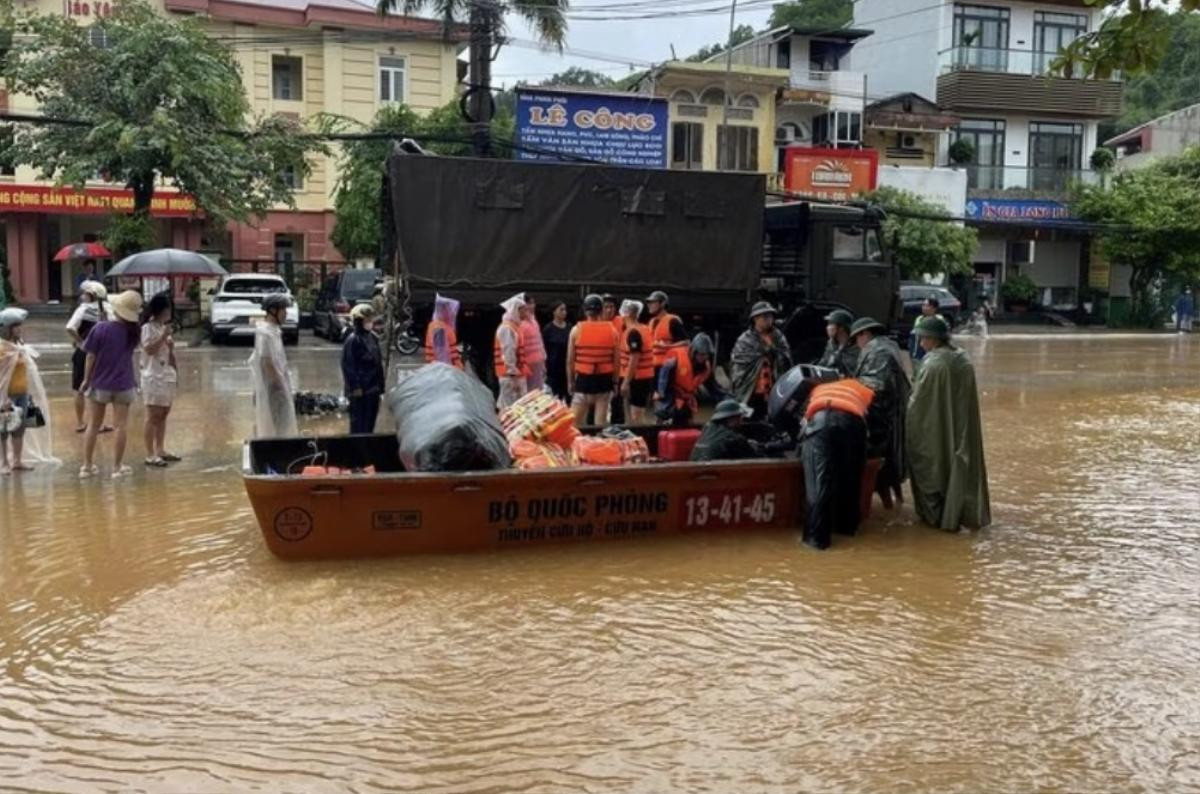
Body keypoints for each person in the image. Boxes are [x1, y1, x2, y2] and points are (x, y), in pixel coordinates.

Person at [906, 317, 991, 530]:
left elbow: (917, 406)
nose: (921, 343)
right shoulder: (963, 359)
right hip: (961, 428)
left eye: (922, 338)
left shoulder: (934, 364)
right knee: (957, 465)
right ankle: (957, 515)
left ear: (932, 339)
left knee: (931, 467)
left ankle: (935, 519)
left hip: (936, 429)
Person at [797, 377, 874, 550]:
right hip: (853, 425)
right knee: (850, 482)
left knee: (818, 485)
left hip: (821, 422)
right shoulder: (863, 391)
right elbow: (876, 425)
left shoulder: (819, 389)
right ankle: (847, 530)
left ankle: (816, 543)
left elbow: (802, 423)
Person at [80, 290, 143, 479]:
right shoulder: (133, 333)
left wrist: (86, 380)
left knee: (93, 425)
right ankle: (117, 467)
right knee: (121, 426)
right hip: (124, 384)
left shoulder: (100, 328)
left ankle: (87, 466)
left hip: (100, 383)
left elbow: (90, 356)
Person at [851, 317, 911, 509]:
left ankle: (889, 508)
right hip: (892, 414)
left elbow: (877, 385)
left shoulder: (878, 351)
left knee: (881, 466)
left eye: (857, 339)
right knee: (891, 464)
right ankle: (897, 505)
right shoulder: (888, 346)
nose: (857, 344)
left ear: (865, 334)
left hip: (882, 418)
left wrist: (851, 385)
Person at [1, 308, 57, 473]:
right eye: (15, 326)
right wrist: (3, 397)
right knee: (3, 429)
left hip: (22, 393)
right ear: (6, 328)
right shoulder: (3, 349)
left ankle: (17, 460)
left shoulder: (19, 346)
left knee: (20, 428)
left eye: (19, 326)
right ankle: (3, 462)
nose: (19, 329)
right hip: (6, 396)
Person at [730, 302, 793, 420]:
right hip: (753, 391)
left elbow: (786, 358)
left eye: (770, 316)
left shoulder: (778, 337)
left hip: (774, 389)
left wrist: (773, 352)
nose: (769, 320)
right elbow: (739, 365)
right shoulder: (745, 340)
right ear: (755, 319)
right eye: (765, 316)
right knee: (750, 421)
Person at [249, 294, 298, 439]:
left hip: (279, 387)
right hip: (274, 390)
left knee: (283, 426)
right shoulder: (265, 334)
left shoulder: (273, 331)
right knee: (278, 427)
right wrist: (279, 386)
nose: (286, 314)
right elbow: (267, 362)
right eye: (284, 310)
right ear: (273, 310)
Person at [66, 280, 113, 433]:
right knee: (99, 387)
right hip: (102, 352)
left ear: (92, 295)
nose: (83, 296)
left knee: (79, 387)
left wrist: (81, 342)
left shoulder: (83, 309)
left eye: (86, 293)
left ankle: (81, 422)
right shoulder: (107, 308)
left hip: (83, 352)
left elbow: (70, 327)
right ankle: (99, 423)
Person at [139, 293, 179, 467]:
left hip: (166, 375)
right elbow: (148, 349)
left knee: (163, 414)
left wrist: (175, 371)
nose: (170, 311)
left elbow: (169, 354)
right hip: (152, 376)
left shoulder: (163, 327)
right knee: (153, 415)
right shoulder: (148, 328)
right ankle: (150, 453)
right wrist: (163, 336)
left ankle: (160, 448)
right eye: (167, 308)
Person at [567, 293, 620, 426]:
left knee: (576, 424)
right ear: (601, 310)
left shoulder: (575, 330)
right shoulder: (612, 331)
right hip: (604, 381)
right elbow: (616, 361)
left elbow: (570, 360)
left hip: (583, 381)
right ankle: (598, 444)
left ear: (585, 311)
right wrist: (615, 383)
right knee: (600, 423)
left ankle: (579, 445)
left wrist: (571, 382)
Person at [342, 303, 386, 434]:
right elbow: (348, 366)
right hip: (360, 392)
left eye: (370, 319)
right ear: (358, 321)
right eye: (367, 320)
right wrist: (355, 387)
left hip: (373, 389)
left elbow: (378, 364)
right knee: (358, 426)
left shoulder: (372, 338)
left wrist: (381, 388)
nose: (370, 323)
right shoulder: (353, 340)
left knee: (370, 425)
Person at [655, 318, 702, 426]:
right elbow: (664, 373)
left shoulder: (705, 366)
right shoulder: (677, 357)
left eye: (705, 355)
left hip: (686, 397)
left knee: (688, 421)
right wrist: (661, 391)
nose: (703, 358)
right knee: (664, 413)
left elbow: (714, 387)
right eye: (701, 355)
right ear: (694, 352)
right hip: (671, 391)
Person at [618, 299, 655, 425]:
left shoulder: (633, 332)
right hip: (643, 377)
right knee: (637, 414)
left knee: (636, 415)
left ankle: (642, 440)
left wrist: (626, 382)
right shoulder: (643, 328)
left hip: (638, 378)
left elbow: (634, 358)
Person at [691, 399, 761, 462]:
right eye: (739, 417)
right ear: (731, 419)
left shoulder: (706, 430)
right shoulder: (732, 438)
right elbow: (756, 459)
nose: (741, 421)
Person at [494, 293, 531, 411]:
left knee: (510, 408)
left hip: (513, 375)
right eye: (524, 310)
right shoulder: (507, 328)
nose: (526, 313)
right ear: (517, 310)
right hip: (510, 377)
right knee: (510, 410)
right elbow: (508, 353)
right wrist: (512, 373)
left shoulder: (513, 327)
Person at [542, 301, 572, 402]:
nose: (564, 312)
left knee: (568, 396)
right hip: (553, 369)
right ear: (554, 312)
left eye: (565, 310)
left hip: (567, 367)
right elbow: (544, 349)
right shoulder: (548, 329)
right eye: (561, 310)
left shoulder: (570, 328)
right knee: (554, 398)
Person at [424, 293, 463, 369]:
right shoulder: (439, 328)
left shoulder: (439, 325)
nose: (451, 313)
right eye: (449, 310)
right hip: (441, 369)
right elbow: (441, 355)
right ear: (443, 311)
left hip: (438, 367)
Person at [645, 290, 681, 373]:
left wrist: (667, 347)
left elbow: (685, 342)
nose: (649, 305)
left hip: (666, 366)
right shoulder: (651, 322)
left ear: (662, 304)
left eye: (652, 302)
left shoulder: (673, 320)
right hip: (652, 365)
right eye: (648, 303)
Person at [816, 309, 859, 376]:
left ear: (841, 328)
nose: (827, 328)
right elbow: (822, 364)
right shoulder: (831, 344)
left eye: (830, 324)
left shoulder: (857, 346)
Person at [603, 295, 625, 424]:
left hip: (618, 368)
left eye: (612, 307)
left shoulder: (622, 323)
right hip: (602, 368)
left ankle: (618, 427)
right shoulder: (596, 322)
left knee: (617, 402)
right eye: (606, 307)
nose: (609, 310)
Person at [520, 294, 547, 392]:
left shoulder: (534, 322)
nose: (533, 306)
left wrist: (543, 360)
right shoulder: (520, 323)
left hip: (537, 363)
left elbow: (540, 343)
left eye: (533, 303)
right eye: (530, 303)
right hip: (527, 364)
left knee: (537, 392)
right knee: (527, 393)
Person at [910, 295, 946, 361]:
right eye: (923, 305)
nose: (923, 307)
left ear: (934, 308)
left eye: (926, 305)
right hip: (918, 353)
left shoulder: (939, 319)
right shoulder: (919, 319)